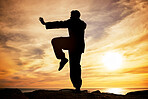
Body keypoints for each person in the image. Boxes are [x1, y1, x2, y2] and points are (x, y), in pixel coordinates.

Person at [39, 10, 87, 92]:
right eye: (70, 15)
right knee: (74, 66)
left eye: (71, 15)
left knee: (74, 66)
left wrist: (46, 24)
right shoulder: (80, 23)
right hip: (73, 44)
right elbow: (61, 23)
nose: (70, 17)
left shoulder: (78, 23)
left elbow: (60, 23)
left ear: (76, 16)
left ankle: (77, 87)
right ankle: (63, 59)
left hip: (75, 45)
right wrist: (46, 24)